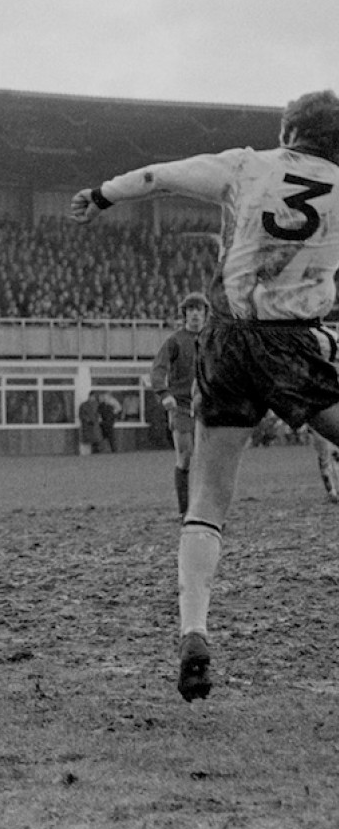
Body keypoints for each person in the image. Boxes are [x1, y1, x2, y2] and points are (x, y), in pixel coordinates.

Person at [69, 89, 339, 703]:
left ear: (289, 131)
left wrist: (104, 194)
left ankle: (194, 632)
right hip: (293, 342)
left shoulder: (246, 164)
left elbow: (160, 175)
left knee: (209, 499)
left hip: (227, 341)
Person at [150, 292, 209, 517]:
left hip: (208, 406)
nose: (195, 314)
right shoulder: (175, 341)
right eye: (190, 309)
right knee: (185, 456)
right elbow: (158, 370)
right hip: (182, 407)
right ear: (185, 314)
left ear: (205, 314)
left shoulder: (212, 340)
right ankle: (185, 511)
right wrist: (164, 393)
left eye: (199, 309)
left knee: (208, 459)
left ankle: (205, 509)